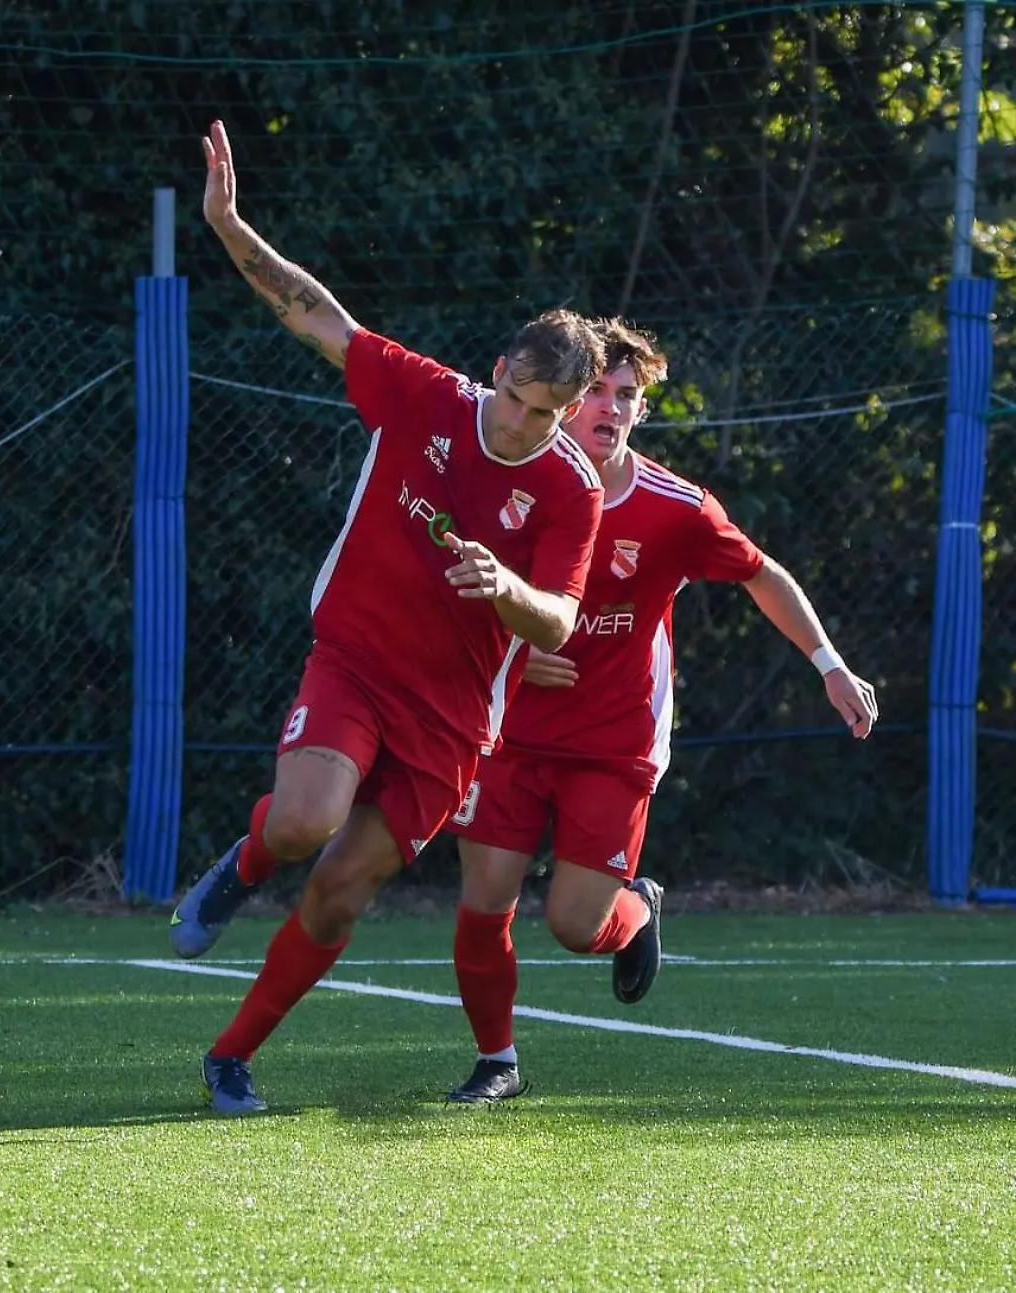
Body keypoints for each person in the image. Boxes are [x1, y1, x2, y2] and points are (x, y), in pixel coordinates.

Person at [169, 121, 607, 1114]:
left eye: (548, 414)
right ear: (499, 369)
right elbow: (313, 313)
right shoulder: (425, 397)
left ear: (570, 413)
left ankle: (229, 1056)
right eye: (518, 398)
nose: (522, 423)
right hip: (358, 660)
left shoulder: (570, 491)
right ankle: (241, 867)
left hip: (450, 721)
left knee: (340, 888)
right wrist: (231, 226)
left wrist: (508, 591)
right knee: (303, 824)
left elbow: (560, 624)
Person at [446, 317, 879, 1103]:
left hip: (615, 743)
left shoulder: (674, 507)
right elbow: (454, 585)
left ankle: (636, 911)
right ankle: (496, 1059)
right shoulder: (508, 475)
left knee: (576, 924)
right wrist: (511, 651)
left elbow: (762, 573)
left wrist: (831, 663)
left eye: (627, 396)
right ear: (566, 399)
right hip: (511, 728)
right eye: (598, 392)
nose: (610, 407)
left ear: (641, 411)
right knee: (485, 897)